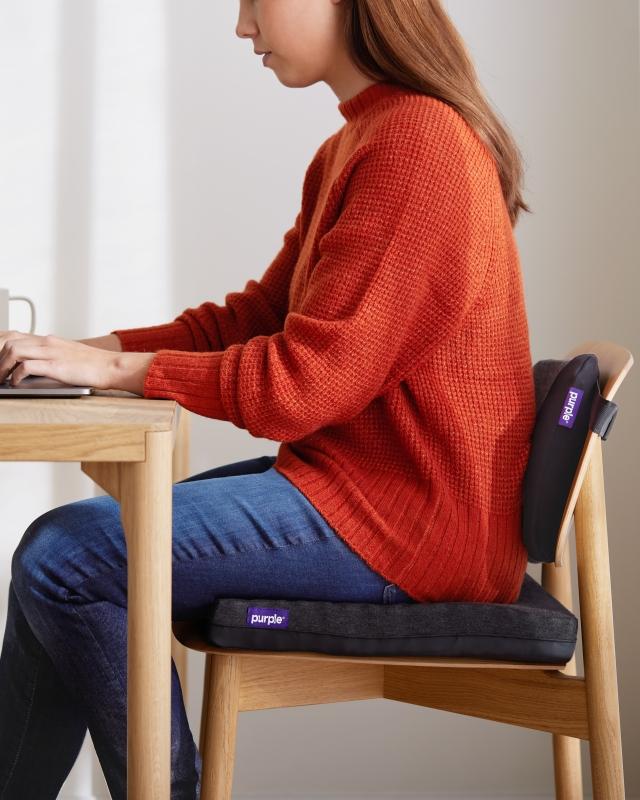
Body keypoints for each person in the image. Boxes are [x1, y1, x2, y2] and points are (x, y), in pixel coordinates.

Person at [0, 0, 537, 796]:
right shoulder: (359, 142)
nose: (242, 27)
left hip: (406, 525)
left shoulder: (419, 145)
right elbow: (255, 320)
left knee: (68, 559)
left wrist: (113, 374)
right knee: (61, 557)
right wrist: (97, 350)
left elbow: (302, 385)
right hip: (367, 499)